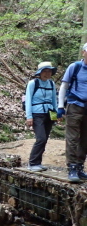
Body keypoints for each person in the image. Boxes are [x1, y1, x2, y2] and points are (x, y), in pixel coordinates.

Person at [57, 42, 87, 183]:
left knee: (85, 140)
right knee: (73, 138)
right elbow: (64, 86)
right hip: (75, 106)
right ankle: (72, 168)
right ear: (83, 52)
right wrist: (60, 106)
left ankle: (80, 167)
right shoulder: (75, 67)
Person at [25, 62, 57, 172]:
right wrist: (29, 116)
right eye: (45, 71)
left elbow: (54, 101)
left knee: (45, 139)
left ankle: (38, 163)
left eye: (49, 71)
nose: (47, 73)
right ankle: (32, 163)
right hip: (36, 114)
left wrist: (55, 115)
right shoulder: (33, 83)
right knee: (41, 138)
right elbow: (28, 100)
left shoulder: (51, 84)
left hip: (49, 114)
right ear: (40, 72)